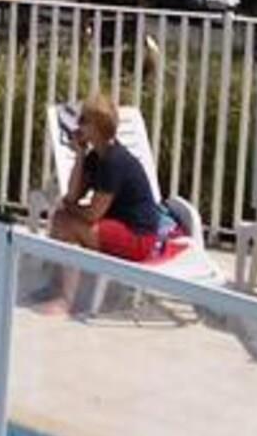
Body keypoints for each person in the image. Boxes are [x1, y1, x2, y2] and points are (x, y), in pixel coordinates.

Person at [39, 99, 180, 310]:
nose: (78, 125)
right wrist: (79, 155)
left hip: (139, 238)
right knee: (62, 219)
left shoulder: (114, 161)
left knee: (66, 223)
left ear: (97, 127)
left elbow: (92, 214)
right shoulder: (96, 156)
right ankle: (58, 288)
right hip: (119, 226)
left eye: (83, 120)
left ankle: (66, 299)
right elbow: (73, 196)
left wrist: (68, 208)